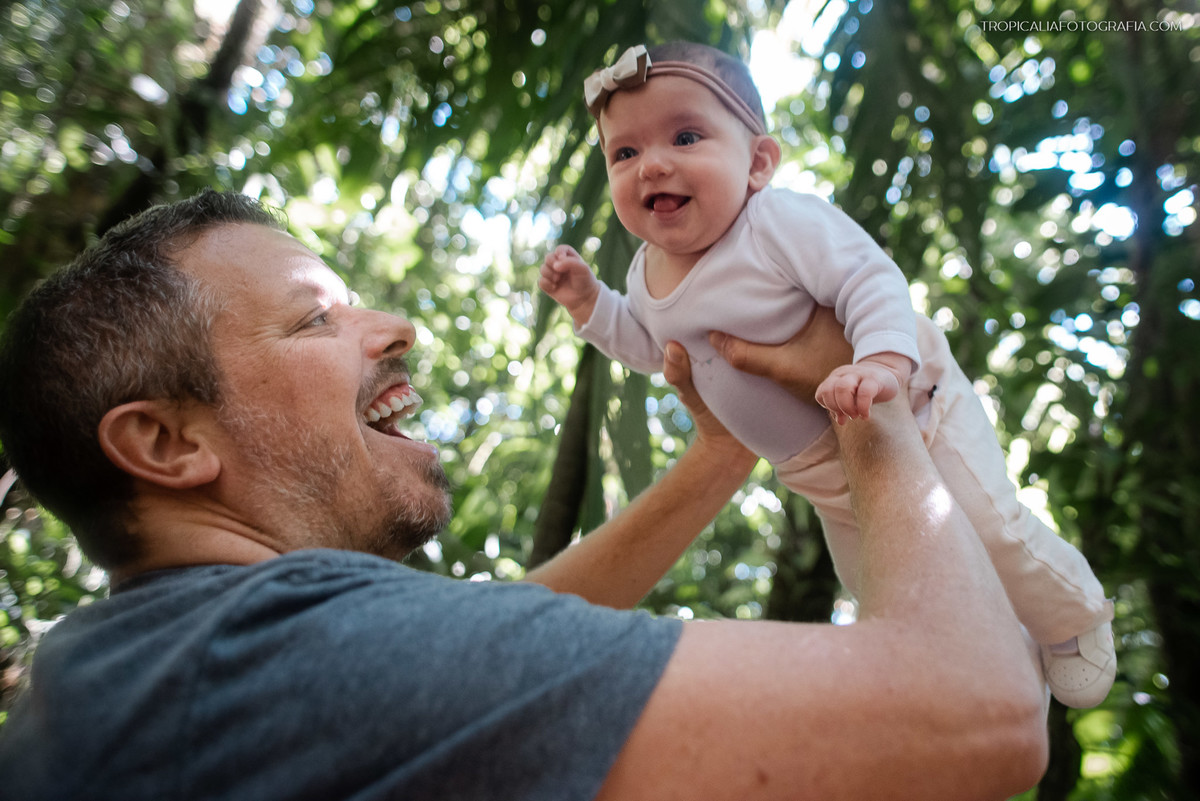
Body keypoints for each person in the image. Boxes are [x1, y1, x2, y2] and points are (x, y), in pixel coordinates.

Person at [0, 190, 1048, 800]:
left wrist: (718, 456)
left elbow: (497, 638)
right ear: (166, 441)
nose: (393, 326)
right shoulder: (282, 660)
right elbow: (979, 712)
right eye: (315, 320)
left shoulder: (117, 662)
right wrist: (868, 399)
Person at [539, 41, 1116, 709]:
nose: (653, 165)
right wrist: (590, 304)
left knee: (989, 525)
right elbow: (647, 344)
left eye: (686, 135)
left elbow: (867, 279)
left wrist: (879, 364)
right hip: (820, 476)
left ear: (758, 163)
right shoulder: (644, 273)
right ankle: (999, 654)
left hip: (915, 414)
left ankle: (1074, 617)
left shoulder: (775, 223)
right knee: (883, 585)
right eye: (624, 153)